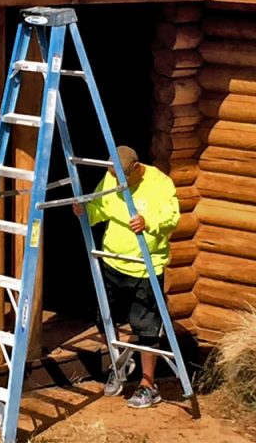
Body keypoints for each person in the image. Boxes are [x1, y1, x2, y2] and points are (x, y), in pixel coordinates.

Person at [73, 145, 179, 408]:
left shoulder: (160, 184)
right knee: (103, 316)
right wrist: (84, 211)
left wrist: (148, 222)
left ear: (135, 169)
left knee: (145, 326)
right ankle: (120, 363)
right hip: (112, 261)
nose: (116, 181)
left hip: (144, 266)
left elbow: (172, 218)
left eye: (121, 177)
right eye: (113, 175)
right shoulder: (110, 178)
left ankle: (147, 385)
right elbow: (99, 208)